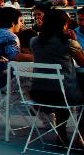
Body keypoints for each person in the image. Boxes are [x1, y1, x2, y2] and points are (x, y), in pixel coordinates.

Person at [30, 8, 84, 146]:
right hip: (65, 94)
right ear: (63, 25)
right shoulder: (69, 43)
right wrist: (75, 41)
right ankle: (80, 135)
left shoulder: (34, 41)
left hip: (39, 93)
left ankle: (61, 134)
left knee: (60, 93)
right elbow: (82, 62)